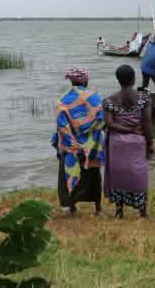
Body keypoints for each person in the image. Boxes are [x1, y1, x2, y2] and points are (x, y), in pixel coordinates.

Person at [51, 68, 105, 216]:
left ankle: (72, 207)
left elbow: (62, 127)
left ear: (71, 81)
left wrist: (72, 145)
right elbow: (101, 120)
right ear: (86, 80)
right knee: (94, 176)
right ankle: (98, 208)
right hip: (92, 146)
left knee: (70, 173)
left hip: (71, 147)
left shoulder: (62, 100)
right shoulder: (95, 97)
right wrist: (88, 141)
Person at [103, 65, 153, 219]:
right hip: (137, 141)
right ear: (133, 79)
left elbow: (109, 124)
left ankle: (119, 211)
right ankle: (142, 212)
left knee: (118, 174)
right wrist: (150, 144)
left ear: (118, 80)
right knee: (139, 174)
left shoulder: (109, 100)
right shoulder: (144, 98)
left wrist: (125, 129)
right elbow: (147, 123)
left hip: (116, 142)